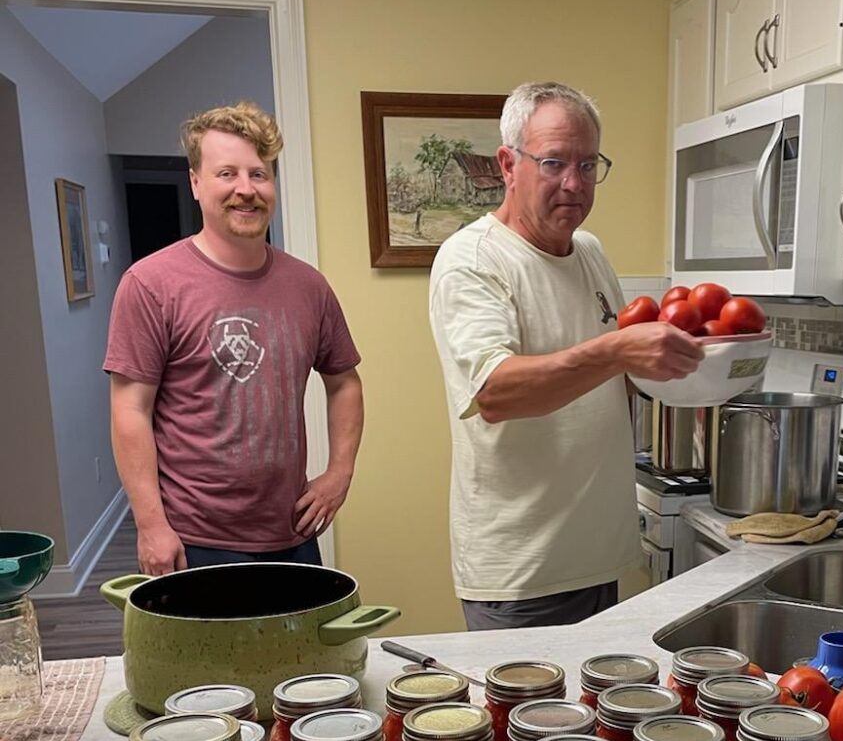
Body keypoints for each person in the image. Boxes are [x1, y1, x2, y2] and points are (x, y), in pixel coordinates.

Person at [429, 81, 701, 630]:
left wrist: (700, 362)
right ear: (508, 165)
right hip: (523, 575)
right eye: (553, 163)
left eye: (588, 164)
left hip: (599, 559)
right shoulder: (472, 260)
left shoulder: (590, 251)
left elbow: (620, 375)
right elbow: (496, 392)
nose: (574, 183)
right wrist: (618, 348)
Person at [104, 101, 364, 575]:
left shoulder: (309, 287)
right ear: (195, 183)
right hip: (193, 537)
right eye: (227, 173)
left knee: (305, 631)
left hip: (292, 532)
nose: (246, 189)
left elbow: (344, 382)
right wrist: (150, 524)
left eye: (259, 174)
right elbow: (130, 410)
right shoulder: (150, 284)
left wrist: (339, 473)